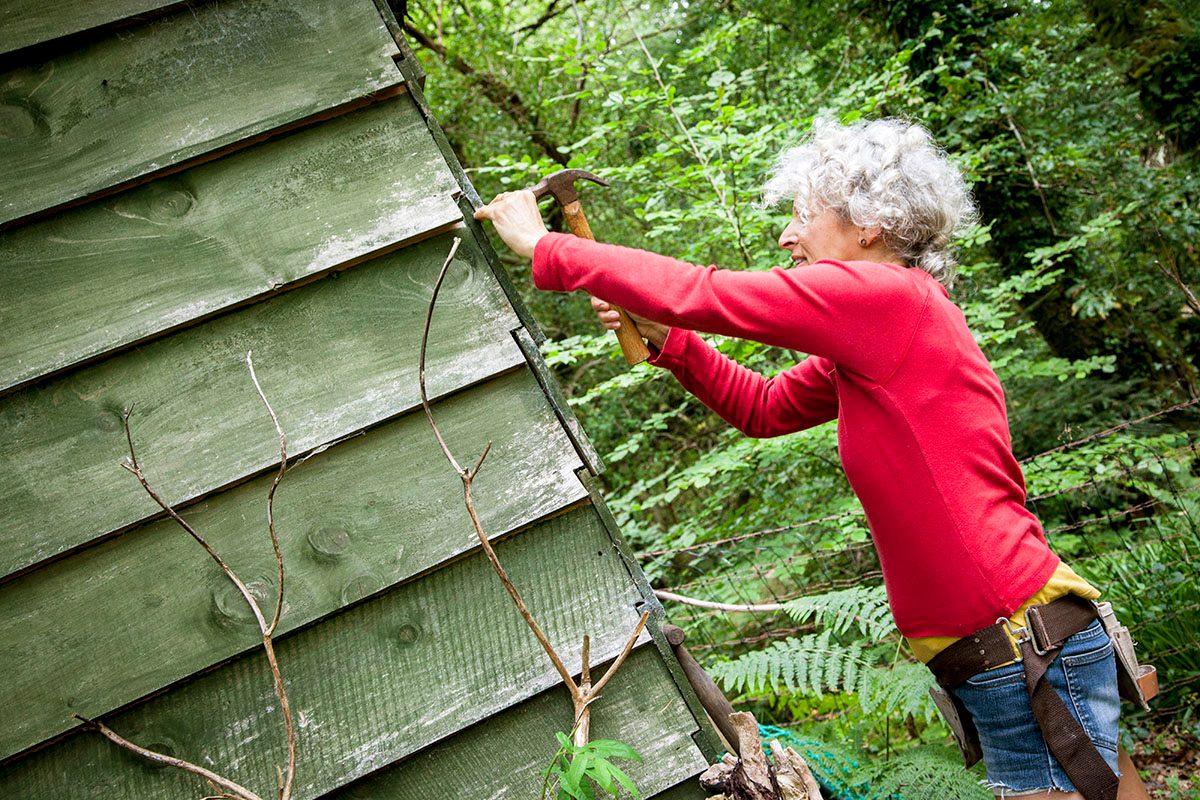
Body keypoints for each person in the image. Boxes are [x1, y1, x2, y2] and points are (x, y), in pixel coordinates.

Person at [474, 117, 1149, 800]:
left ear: (870, 225)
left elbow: (714, 294)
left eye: (802, 216)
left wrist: (545, 246)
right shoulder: (882, 341)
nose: (787, 236)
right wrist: (670, 341)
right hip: (1011, 644)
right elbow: (762, 407)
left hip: (1016, 643)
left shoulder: (889, 299)